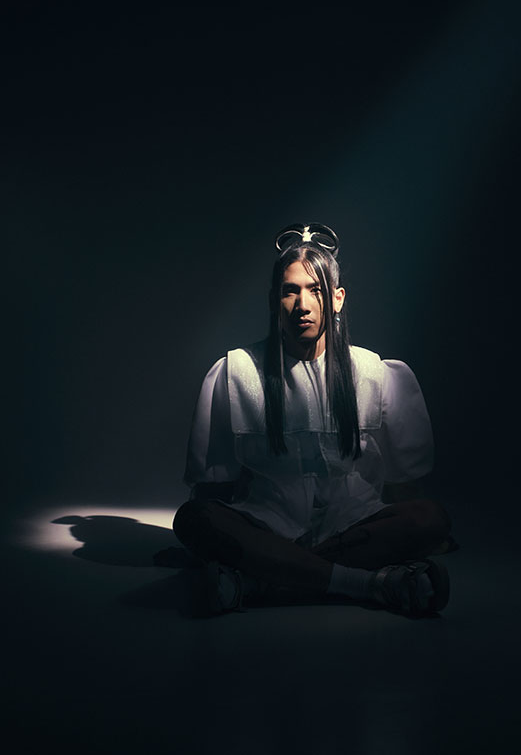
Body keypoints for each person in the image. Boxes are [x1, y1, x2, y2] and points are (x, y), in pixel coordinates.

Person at [172, 222, 454, 617]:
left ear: (337, 299)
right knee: (192, 519)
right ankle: (370, 584)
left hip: (352, 526)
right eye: (290, 291)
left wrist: (412, 531)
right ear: (274, 300)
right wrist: (208, 536)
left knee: (431, 518)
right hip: (266, 524)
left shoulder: (375, 372)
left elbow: (405, 486)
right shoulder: (236, 371)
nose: (302, 304)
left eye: (315, 290)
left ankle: (259, 582)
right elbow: (212, 487)